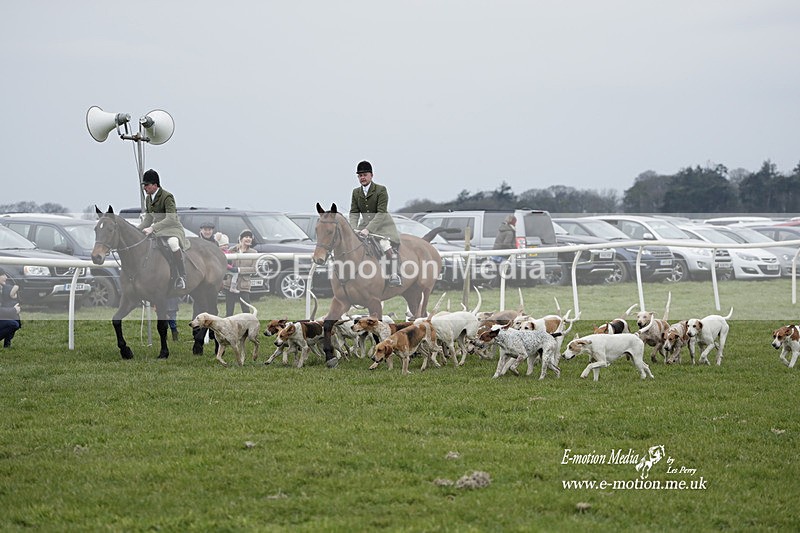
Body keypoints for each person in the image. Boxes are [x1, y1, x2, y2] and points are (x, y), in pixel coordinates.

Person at [348, 160, 402, 287]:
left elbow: (381, 213)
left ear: (371, 175)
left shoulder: (381, 190)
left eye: (365, 175)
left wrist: (368, 230)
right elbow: (354, 212)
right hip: (364, 226)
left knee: (385, 245)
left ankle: (395, 275)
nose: (362, 178)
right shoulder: (356, 192)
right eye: (360, 175)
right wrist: (353, 228)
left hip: (383, 226)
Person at [137, 169, 189, 290]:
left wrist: (152, 228)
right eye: (144, 185)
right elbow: (148, 219)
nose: (144, 188)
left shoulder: (167, 197)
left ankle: (181, 276)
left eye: (147, 185)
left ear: (155, 185)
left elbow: (171, 218)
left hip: (172, 228)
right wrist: (137, 230)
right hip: (159, 230)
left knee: (173, 243)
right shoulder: (148, 199)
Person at [223, 229, 258, 316]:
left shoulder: (254, 253)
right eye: (246, 237)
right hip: (230, 284)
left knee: (246, 310)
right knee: (229, 311)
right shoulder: (232, 250)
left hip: (244, 285)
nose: (248, 239)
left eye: (250, 237)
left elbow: (254, 269)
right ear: (241, 239)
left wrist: (239, 270)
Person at [0, 272, 21, 348]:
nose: (6, 277)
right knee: (13, 324)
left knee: (15, 321)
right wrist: (13, 310)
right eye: (3, 275)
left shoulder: (3, 288)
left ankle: (7, 344)